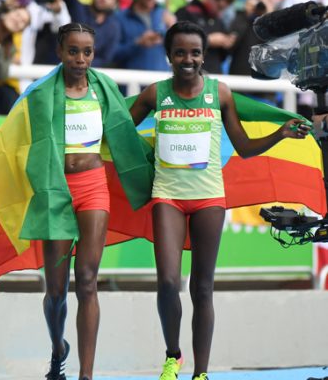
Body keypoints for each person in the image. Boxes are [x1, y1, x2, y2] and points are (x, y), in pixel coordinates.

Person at [127, 21, 310, 380]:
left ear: (203, 55)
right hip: (168, 197)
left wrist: (281, 133)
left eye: (195, 52)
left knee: (202, 287)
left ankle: (202, 373)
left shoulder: (219, 94)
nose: (187, 58)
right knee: (167, 281)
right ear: (169, 56)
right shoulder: (154, 94)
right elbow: (118, 130)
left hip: (209, 198)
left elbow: (243, 147)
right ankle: (173, 356)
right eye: (180, 52)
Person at [38, 22, 153, 380]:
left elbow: (123, 127)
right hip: (56, 189)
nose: (81, 59)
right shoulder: (41, 93)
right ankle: (58, 347)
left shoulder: (103, 90)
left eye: (87, 52)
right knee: (56, 290)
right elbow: (21, 143)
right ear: (59, 52)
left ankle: (86, 374)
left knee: (87, 279)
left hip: (93, 186)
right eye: (73, 51)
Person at [175, 0, 236, 74]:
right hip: (190, 77)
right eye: (219, 7)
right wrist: (208, 40)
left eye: (223, 9)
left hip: (214, 77)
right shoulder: (187, 13)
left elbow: (223, 56)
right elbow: (178, 43)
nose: (220, 12)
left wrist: (228, 43)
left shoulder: (219, 21)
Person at [61, 0, 120, 67]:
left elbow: (105, 58)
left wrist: (83, 63)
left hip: (90, 75)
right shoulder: (79, 10)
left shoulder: (113, 27)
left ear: (114, 3)